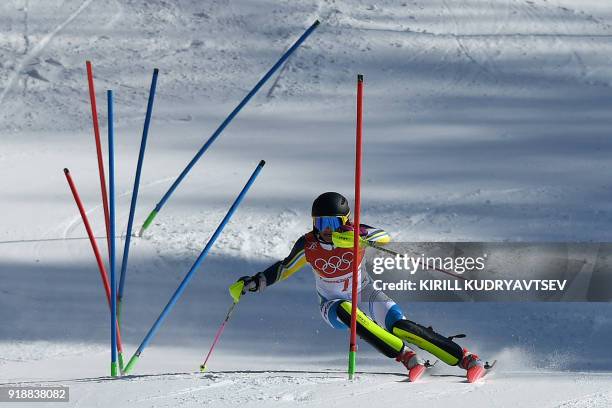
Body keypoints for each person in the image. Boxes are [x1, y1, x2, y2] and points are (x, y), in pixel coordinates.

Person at [235, 192, 485, 382]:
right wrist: (256, 282)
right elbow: (283, 268)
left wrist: (353, 237)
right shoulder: (309, 244)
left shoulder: (355, 234)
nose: (325, 231)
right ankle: (406, 356)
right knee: (347, 310)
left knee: (401, 326)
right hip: (331, 304)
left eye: (331, 225)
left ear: (344, 222)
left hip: (365, 292)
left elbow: (384, 237)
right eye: (319, 224)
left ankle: (464, 358)